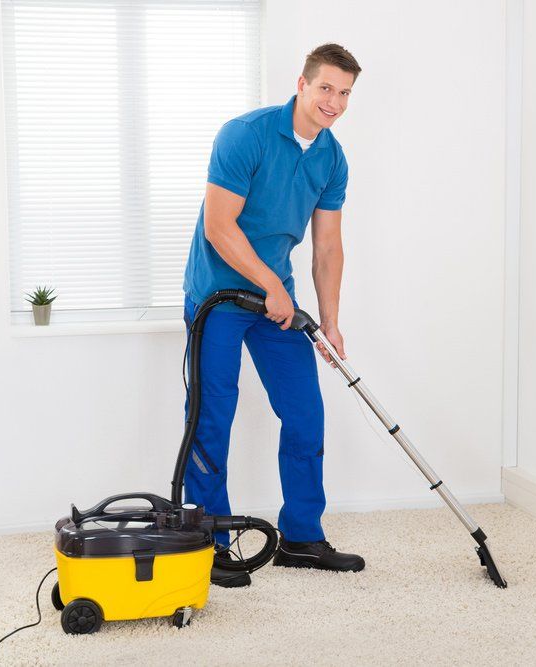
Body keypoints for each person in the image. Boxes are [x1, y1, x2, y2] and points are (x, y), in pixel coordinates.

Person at [181, 44, 363, 587]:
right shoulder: (246, 134)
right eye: (326, 88)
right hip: (218, 295)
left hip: (274, 303)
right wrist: (268, 285)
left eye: (346, 93)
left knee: (305, 413)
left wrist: (329, 322)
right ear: (302, 84)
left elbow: (327, 247)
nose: (334, 102)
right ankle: (210, 544)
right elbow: (219, 226)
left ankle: (302, 537)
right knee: (212, 417)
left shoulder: (331, 157)